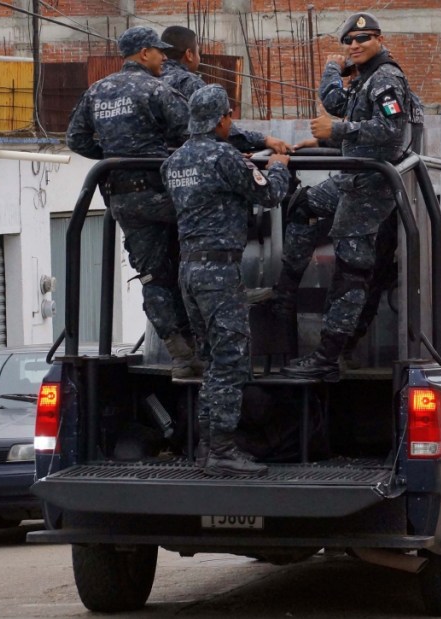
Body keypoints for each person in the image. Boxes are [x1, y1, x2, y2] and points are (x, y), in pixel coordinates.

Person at [273, 12, 414, 380]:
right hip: (352, 177)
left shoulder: (386, 78)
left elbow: (391, 130)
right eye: (348, 42)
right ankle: (285, 293)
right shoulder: (365, 76)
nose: (354, 46)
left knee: (349, 273)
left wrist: (337, 131)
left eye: (362, 40)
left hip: (371, 186)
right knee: (303, 204)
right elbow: (336, 103)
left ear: (379, 40)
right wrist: (333, 72)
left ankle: (329, 356)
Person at [161, 85, 291, 476]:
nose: (230, 122)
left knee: (213, 362)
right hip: (219, 272)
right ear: (221, 119)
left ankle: (207, 449)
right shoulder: (222, 155)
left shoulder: (174, 161)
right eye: (229, 117)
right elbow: (268, 195)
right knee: (230, 362)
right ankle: (220, 450)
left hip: (189, 271)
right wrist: (279, 165)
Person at [66, 26, 200, 378]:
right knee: (203, 251)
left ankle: (180, 354)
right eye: (158, 52)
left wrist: (113, 155)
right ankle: (209, 335)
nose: (163, 57)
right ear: (143, 53)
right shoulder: (156, 89)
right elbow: (193, 130)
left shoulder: (97, 91)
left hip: (122, 198)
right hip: (161, 193)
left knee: (154, 276)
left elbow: (76, 138)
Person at [159, 26, 292, 155]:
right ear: (189, 54)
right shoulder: (189, 83)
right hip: (189, 163)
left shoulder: (149, 79)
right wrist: (264, 139)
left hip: (153, 163)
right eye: (198, 52)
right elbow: (221, 128)